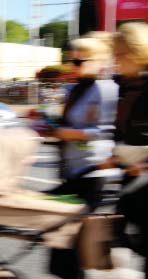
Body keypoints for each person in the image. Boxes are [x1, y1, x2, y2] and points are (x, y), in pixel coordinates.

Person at [98, 22, 148, 279]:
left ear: (135, 51)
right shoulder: (124, 85)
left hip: (141, 168)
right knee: (126, 223)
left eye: (119, 53)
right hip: (131, 166)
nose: (115, 58)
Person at [47, 36, 118, 210]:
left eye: (78, 61)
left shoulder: (105, 88)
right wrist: (50, 125)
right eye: (72, 60)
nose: (73, 65)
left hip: (93, 169)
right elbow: (68, 121)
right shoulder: (74, 88)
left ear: (97, 61)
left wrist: (70, 133)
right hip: (72, 168)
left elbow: (107, 132)